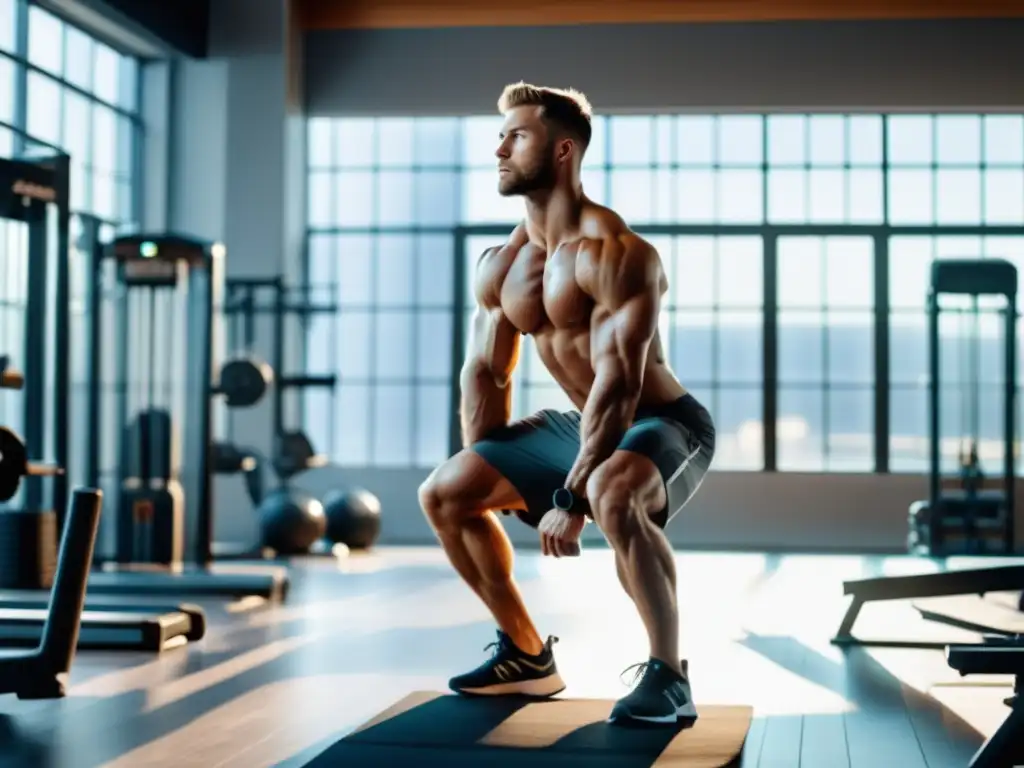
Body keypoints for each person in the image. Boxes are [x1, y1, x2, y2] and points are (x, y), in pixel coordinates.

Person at [418, 82, 716, 726]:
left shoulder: (614, 253)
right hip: (585, 425)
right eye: (499, 135)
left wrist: (571, 497)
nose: (498, 148)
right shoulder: (502, 264)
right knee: (445, 491)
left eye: (515, 135)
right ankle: (525, 656)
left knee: (612, 490)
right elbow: (485, 376)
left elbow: (619, 385)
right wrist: (493, 469)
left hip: (664, 423)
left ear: (562, 151)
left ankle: (668, 675)